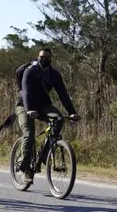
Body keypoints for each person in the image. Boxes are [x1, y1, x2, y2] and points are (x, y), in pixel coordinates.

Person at [16, 48, 81, 184]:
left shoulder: (54, 74)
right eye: (42, 57)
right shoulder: (30, 71)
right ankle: (25, 169)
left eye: (47, 57)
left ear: (51, 59)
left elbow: (63, 95)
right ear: (38, 57)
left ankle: (45, 154)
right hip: (24, 105)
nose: (45, 60)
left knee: (58, 119)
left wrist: (72, 112)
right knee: (29, 134)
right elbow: (26, 91)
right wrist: (29, 110)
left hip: (43, 105)